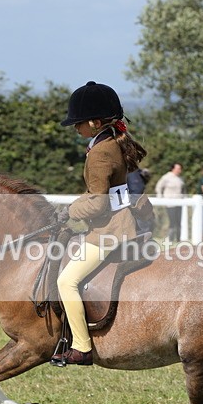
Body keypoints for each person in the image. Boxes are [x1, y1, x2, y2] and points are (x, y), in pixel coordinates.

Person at [52, 81, 148, 366]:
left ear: (94, 123)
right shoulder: (111, 142)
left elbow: (98, 203)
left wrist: (70, 210)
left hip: (110, 231)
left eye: (78, 123)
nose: (75, 128)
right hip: (119, 223)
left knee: (66, 281)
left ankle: (81, 347)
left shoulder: (100, 152)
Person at [154, 163, 185, 241]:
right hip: (170, 203)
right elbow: (159, 187)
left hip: (179, 202)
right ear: (173, 169)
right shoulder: (166, 177)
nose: (179, 170)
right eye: (178, 168)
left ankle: (178, 239)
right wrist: (160, 198)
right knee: (172, 222)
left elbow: (183, 190)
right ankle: (171, 239)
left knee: (179, 222)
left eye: (180, 169)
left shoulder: (180, 179)